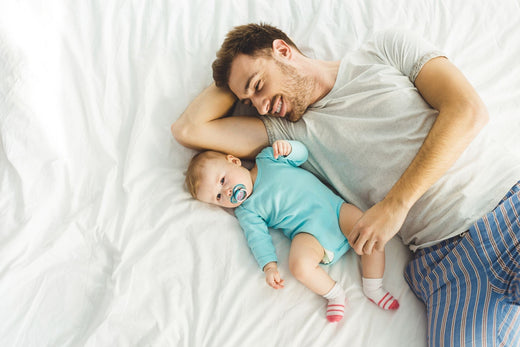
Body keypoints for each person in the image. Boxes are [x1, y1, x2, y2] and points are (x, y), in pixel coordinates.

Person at [172, 23, 520, 346]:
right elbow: (187, 130)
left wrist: (395, 204)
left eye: (259, 86)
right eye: (249, 102)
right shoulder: (288, 136)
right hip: (446, 267)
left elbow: (468, 110)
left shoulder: (384, 49)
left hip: (506, 208)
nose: (261, 106)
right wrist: (234, 82)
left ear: (282, 50)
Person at [185, 139, 399, 323]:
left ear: (233, 161)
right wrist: (269, 266)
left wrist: (289, 148)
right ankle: (334, 294)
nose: (227, 192)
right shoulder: (246, 210)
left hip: (336, 211)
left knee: (373, 232)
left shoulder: (267, 159)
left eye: (222, 181)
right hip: (309, 236)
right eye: (219, 197)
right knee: (298, 266)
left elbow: (302, 155)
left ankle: (373, 286)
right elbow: (257, 238)